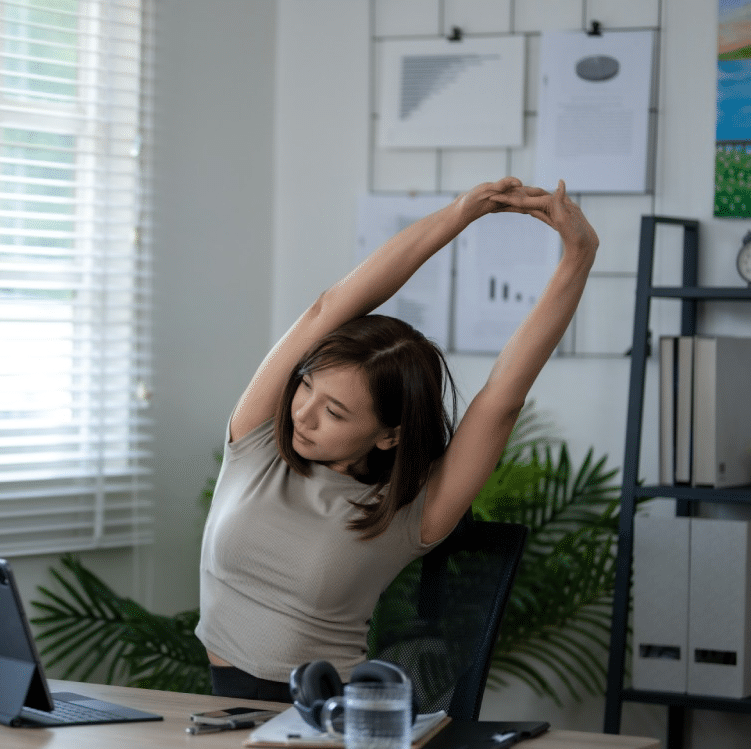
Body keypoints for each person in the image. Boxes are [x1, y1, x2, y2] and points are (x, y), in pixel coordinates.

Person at [196, 177, 599, 701]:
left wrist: (578, 256)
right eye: (306, 386)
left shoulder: (409, 510)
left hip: (328, 726)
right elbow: (328, 309)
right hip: (222, 715)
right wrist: (460, 214)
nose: (303, 414)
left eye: (335, 411)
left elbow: (501, 401)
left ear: (390, 435)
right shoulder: (256, 443)